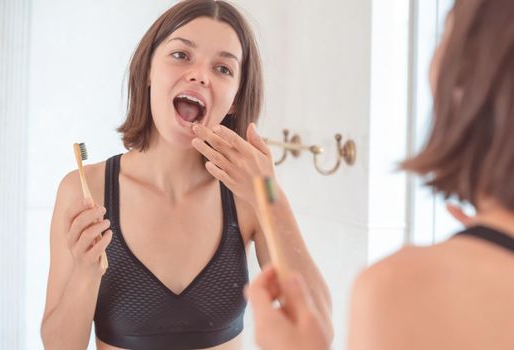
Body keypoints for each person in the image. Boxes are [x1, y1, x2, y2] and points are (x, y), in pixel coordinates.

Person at [40, 1, 332, 349]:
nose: (199, 75)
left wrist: (269, 193)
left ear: (236, 99)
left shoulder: (246, 197)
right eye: (181, 55)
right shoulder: (86, 191)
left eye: (223, 68)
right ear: (149, 69)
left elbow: (320, 333)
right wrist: (85, 273)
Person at [248, 0, 514, 349]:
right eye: (180, 56)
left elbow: (321, 317)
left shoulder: (406, 289)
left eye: (443, 34)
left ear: (466, 75)